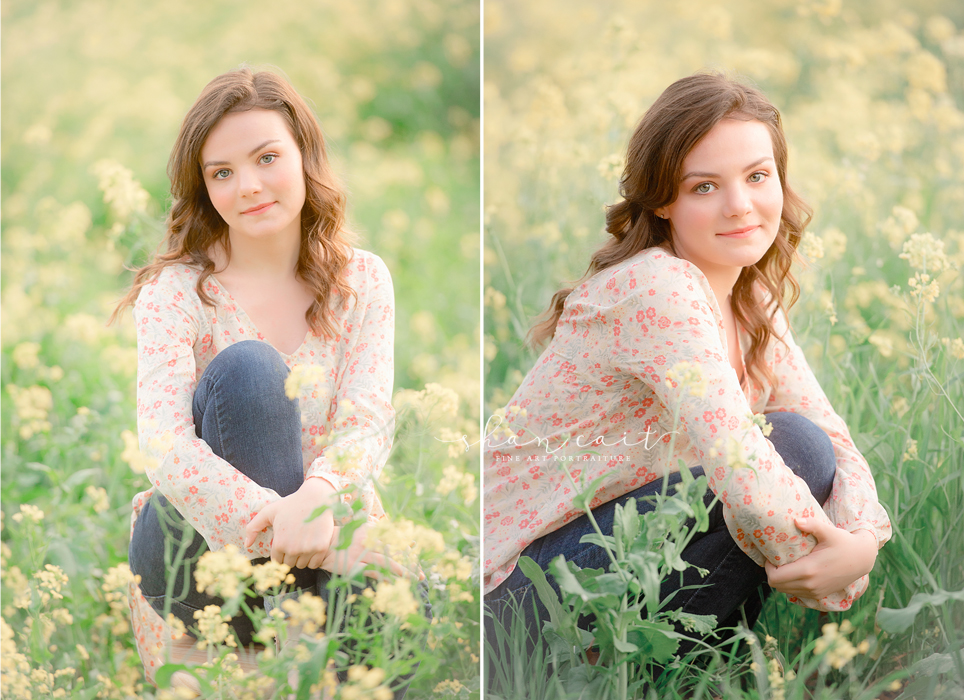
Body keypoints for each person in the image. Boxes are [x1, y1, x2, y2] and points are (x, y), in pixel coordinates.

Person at [483, 72, 891, 669]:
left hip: (593, 569)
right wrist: (839, 571)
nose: (740, 205)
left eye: (758, 176)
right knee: (787, 453)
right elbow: (748, 476)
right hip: (511, 597)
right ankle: (660, 676)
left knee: (800, 443)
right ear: (662, 200)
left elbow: (831, 433)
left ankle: (690, 677)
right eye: (704, 186)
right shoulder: (656, 287)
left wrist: (863, 543)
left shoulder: (750, 300)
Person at [111, 67, 416, 693]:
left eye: (266, 158)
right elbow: (164, 445)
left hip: (329, 528)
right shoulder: (177, 293)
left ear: (304, 155)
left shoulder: (362, 280)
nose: (247, 186)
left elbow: (367, 420)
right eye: (221, 173)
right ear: (204, 188)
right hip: (197, 557)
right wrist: (296, 530)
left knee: (414, 636)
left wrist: (320, 497)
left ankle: (306, 629)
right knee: (251, 370)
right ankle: (295, 622)